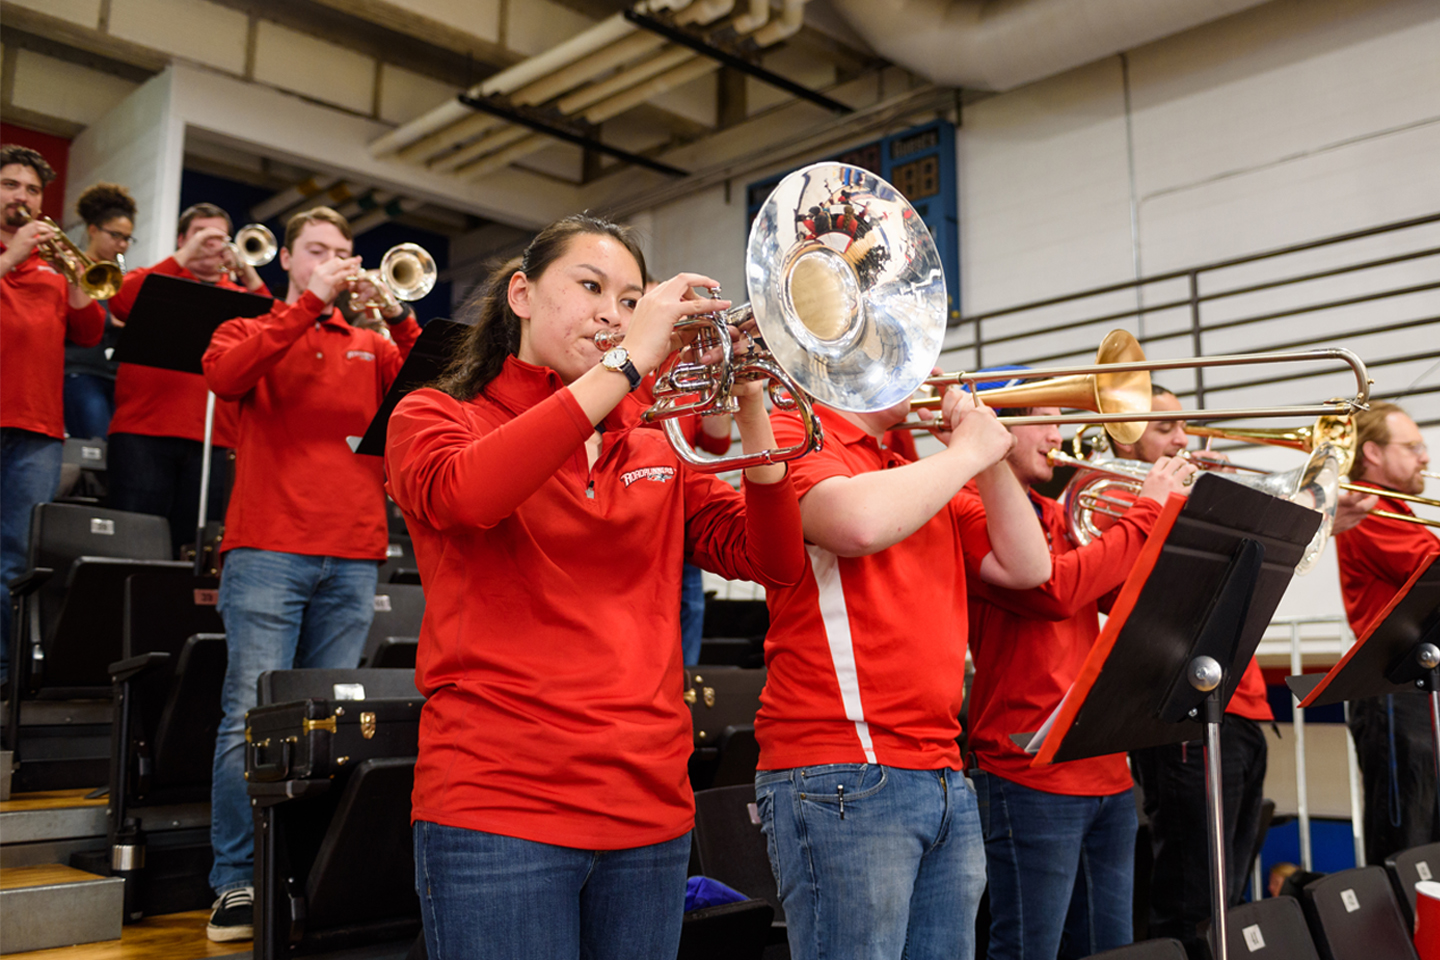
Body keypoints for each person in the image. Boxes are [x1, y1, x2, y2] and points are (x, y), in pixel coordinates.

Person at [384, 214, 805, 960]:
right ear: (521, 294)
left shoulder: (656, 441)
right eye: (590, 287)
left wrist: (751, 410)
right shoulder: (434, 414)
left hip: (649, 810)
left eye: (631, 299)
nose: (614, 313)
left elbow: (770, 560)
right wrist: (631, 362)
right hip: (498, 806)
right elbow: (466, 496)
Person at [753, 380, 1053, 960]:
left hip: (939, 770)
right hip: (840, 768)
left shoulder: (909, 469)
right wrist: (966, 452)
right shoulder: (796, 429)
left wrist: (987, 461)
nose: (927, 377)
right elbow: (855, 524)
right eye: (905, 357)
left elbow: (1028, 566)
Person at [201, 205, 420, 942]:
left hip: (355, 553)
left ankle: (307, 873)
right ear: (289, 260)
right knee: (249, 714)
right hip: (267, 547)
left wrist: (400, 318)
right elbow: (226, 377)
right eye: (318, 250)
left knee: (332, 727)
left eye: (344, 251)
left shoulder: (371, 342)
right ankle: (235, 880)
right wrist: (308, 305)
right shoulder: (253, 325)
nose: (335, 259)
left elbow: (433, 389)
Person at [966, 405, 1196, 960]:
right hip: (1027, 771)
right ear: (996, 427)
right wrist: (1144, 514)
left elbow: (1125, 603)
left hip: (1105, 767)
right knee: (1028, 949)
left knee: (1111, 948)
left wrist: (1177, 525)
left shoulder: (1065, 511)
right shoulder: (969, 510)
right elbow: (1054, 593)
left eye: (1058, 421)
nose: (1057, 435)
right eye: (1041, 422)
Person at [1126, 383, 1275, 958]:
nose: (1184, 439)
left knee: (1226, 897)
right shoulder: (1127, 509)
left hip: (1238, 707)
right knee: (1190, 901)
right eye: (1166, 429)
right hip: (1185, 715)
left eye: (1183, 427)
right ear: (1125, 437)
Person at [107, 203, 271, 556]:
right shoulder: (156, 279)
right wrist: (184, 255)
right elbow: (119, 302)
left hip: (216, 438)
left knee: (196, 551)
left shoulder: (242, 296)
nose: (210, 244)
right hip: (143, 431)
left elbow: (276, 331)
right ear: (182, 239)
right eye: (200, 234)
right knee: (132, 544)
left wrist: (249, 274)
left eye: (218, 237)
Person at [0, 144, 105, 684]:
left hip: (38, 429)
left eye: (33, 190)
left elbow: (89, 334)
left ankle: (7, 677)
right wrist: (13, 256)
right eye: (11, 185)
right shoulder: (16, 257)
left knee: (18, 563)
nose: (23, 197)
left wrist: (72, 274)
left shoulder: (49, 266)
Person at [1336, 401, 1439, 867]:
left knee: (1427, 844)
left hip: (1419, 689)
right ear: (1372, 453)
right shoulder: (1367, 505)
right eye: (1413, 446)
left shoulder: (1400, 508)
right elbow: (1429, 564)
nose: (1425, 457)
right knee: (1405, 849)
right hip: (1394, 692)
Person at [623, 348, 733, 664]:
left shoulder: (686, 370)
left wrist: (720, 379)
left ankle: (685, 685)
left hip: (682, 497)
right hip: (639, 496)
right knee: (646, 600)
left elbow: (717, 441)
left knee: (691, 602)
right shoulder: (633, 358)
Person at [62, 182, 136, 441]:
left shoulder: (123, 275)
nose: (123, 245)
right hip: (80, 368)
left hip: (113, 373)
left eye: (127, 238)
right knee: (96, 442)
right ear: (93, 230)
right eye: (115, 235)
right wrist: (109, 319)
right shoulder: (70, 266)